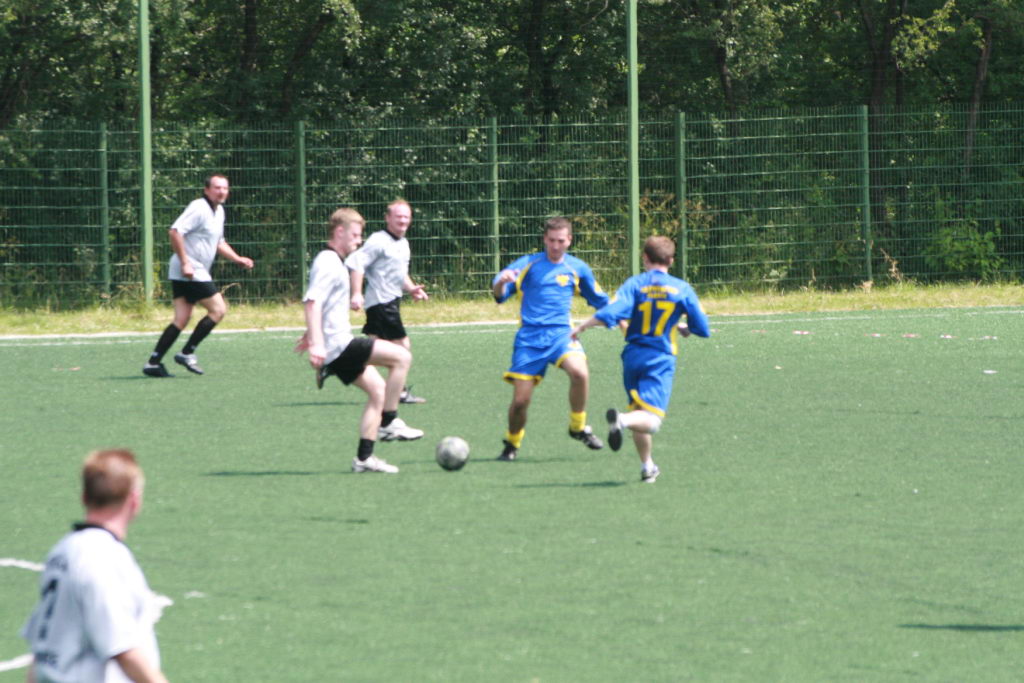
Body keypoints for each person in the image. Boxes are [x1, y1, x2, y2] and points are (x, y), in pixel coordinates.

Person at [20, 449, 169, 683]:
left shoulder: (62, 550)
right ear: (134, 501)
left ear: (84, 497)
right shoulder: (103, 558)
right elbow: (123, 649)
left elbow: (41, 653)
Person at [571, 235, 710, 483]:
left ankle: (647, 466)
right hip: (659, 358)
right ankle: (621, 420)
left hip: (632, 357)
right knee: (651, 421)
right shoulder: (681, 288)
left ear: (645, 257)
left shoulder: (635, 284)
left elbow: (612, 311)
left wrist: (583, 326)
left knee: (640, 411)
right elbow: (703, 328)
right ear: (671, 260)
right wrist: (687, 328)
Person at [296, 207, 424, 474]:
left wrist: (312, 334)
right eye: (354, 235)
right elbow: (312, 301)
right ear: (339, 232)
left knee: (378, 392)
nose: (358, 240)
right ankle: (389, 422)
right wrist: (317, 342)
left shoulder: (335, 261)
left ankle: (364, 459)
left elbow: (324, 304)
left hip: (337, 344)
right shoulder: (327, 261)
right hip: (339, 346)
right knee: (402, 356)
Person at [491, 216, 609, 461]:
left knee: (580, 373)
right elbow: (499, 295)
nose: (556, 245)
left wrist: (624, 317)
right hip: (529, 340)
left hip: (562, 335)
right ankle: (512, 443)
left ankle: (578, 427)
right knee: (521, 401)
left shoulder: (577, 268)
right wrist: (501, 282)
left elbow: (601, 300)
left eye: (561, 241)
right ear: (545, 239)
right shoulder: (529, 264)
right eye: (552, 240)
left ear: (569, 240)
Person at [142, 174, 254, 378]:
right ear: (206, 190)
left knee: (181, 319)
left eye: (225, 188)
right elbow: (175, 232)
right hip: (191, 269)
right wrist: (185, 262)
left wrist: (237, 259)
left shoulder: (219, 211)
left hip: (189, 270)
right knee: (218, 310)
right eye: (217, 187)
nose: (221, 191)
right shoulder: (199, 207)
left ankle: (153, 363)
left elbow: (219, 242)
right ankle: (186, 352)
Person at [345, 198, 428, 404]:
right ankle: (399, 393)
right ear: (387, 218)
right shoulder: (378, 240)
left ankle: (340, 362)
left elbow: (400, 273)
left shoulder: (403, 243)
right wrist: (356, 293)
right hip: (381, 303)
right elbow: (356, 263)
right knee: (402, 347)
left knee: (374, 347)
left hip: (391, 302)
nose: (403, 220)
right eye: (398, 216)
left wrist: (411, 288)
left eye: (406, 217)